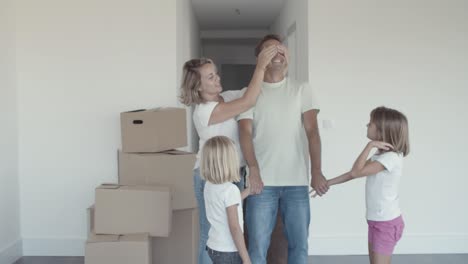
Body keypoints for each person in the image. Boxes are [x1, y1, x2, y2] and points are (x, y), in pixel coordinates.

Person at [179, 46, 277, 264]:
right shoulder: (205, 110)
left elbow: (253, 91)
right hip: (209, 176)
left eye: (216, 73)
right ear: (198, 85)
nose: (217, 78)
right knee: (211, 234)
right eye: (210, 76)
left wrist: (270, 67)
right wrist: (259, 65)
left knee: (229, 230)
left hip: (231, 174)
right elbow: (248, 101)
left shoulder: (226, 98)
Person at [238, 34, 328, 264]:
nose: (277, 54)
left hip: (296, 182)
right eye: (270, 50)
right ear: (260, 58)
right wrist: (254, 169)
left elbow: (312, 132)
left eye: (281, 50)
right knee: (257, 248)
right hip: (261, 183)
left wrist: (317, 171)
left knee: (299, 246)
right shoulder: (249, 94)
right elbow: (245, 133)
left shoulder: (302, 89)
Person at [325, 106, 410, 264]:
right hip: (377, 220)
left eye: (370, 123)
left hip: (386, 223)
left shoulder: (390, 158)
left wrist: (369, 145)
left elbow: (357, 172)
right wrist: (328, 183)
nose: (367, 125)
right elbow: (353, 173)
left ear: (382, 130)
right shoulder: (381, 155)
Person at [201, 136, 251, 264]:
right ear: (228, 162)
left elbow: (225, 204)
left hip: (214, 247)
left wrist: (248, 191)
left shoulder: (209, 185)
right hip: (229, 251)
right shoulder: (230, 190)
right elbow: (235, 228)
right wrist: (246, 258)